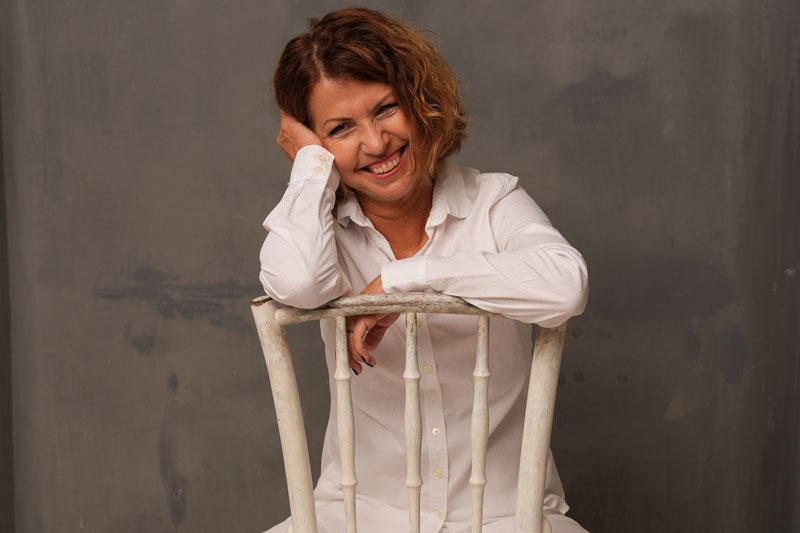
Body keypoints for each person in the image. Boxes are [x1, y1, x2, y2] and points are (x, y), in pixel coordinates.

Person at [259, 7, 589, 533]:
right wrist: (311, 169)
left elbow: (565, 285)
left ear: (419, 100)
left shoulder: (492, 202)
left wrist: (404, 279)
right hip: (358, 517)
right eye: (340, 129)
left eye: (386, 108)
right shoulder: (322, 237)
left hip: (507, 517)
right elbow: (297, 282)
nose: (375, 143)